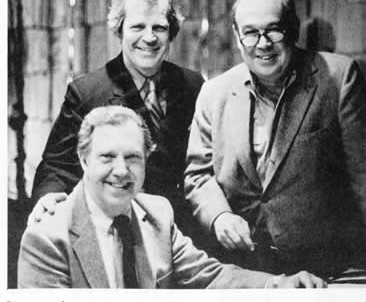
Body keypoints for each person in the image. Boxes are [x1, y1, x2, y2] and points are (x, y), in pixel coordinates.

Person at [184, 0, 366, 279]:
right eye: (251, 33)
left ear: (292, 29)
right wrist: (219, 216)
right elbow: (197, 174)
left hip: (328, 270)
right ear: (237, 36)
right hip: (248, 273)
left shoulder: (339, 78)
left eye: (274, 30)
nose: (263, 43)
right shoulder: (214, 94)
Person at [18, 106, 326, 288]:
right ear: (84, 160)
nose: (122, 171)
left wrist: (279, 285)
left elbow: (211, 277)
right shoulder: (46, 238)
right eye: (107, 157)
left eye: (133, 157)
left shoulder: (157, 214)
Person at [29, 0, 203, 236]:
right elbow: (57, 167)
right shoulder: (86, 93)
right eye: (137, 27)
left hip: (182, 233)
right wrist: (49, 197)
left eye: (159, 27)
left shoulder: (193, 85)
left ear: (172, 32)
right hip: (115, 230)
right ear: (119, 29)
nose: (149, 38)